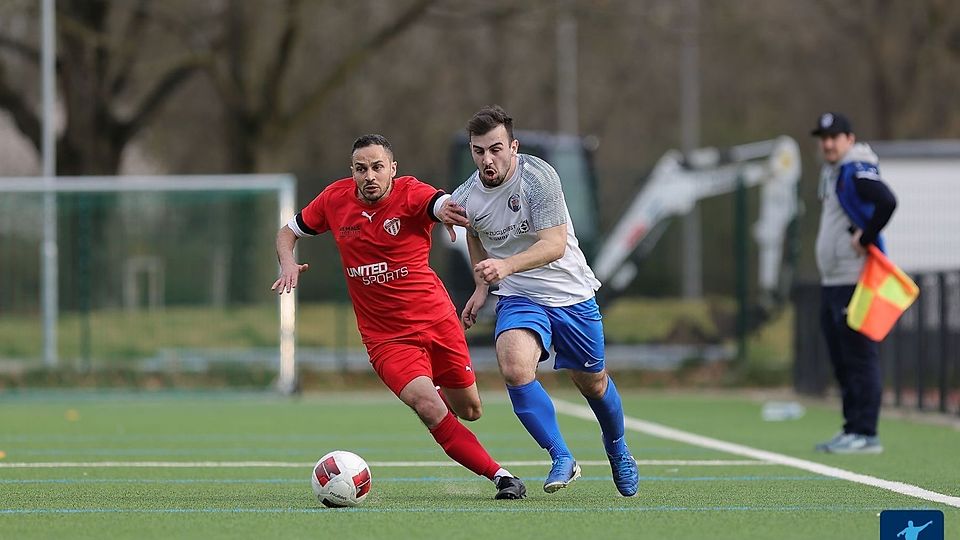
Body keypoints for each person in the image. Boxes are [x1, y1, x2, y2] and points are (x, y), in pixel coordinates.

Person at [272, 134, 526, 499]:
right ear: (352, 171)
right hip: (386, 339)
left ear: (393, 168)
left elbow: (437, 203)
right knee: (428, 407)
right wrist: (287, 262)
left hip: (437, 322)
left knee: (470, 410)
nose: (369, 176)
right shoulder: (333, 200)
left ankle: (433, 386)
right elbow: (287, 232)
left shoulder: (410, 192)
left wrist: (447, 210)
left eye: (377, 167)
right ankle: (502, 477)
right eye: (361, 169)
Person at [440, 105, 639, 496]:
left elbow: (554, 245)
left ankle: (617, 448)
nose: (487, 159)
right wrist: (482, 287)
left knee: (593, 383)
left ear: (513, 147)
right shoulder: (466, 196)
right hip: (520, 296)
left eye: (495, 149)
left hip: (571, 294)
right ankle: (561, 455)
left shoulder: (539, 178)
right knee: (514, 368)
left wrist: (505, 266)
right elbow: (474, 234)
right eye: (479, 151)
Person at [811, 112, 897, 454]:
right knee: (842, 359)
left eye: (834, 137)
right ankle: (851, 429)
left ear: (850, 139)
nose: (828, 144)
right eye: (824, 138)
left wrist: (867, 236)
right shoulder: (833, 172)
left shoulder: (856, 168)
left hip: (854, 279)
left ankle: (866, 433)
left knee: (860, 357)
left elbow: (887, 201)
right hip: (833, 281)